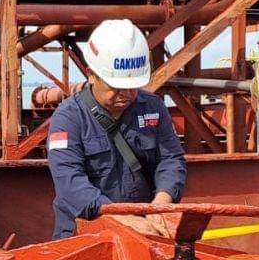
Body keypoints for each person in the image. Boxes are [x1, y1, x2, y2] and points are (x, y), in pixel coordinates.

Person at [47, 19, 186, 239]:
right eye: (116, 86)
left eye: (133, 86)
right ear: (91, 74)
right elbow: (69, 182)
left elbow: (171, 159)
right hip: (85, 234)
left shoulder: (153, 107)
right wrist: (118, 217)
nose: (127, 95)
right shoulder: (68, 118)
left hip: (145, 228)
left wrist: (162, 202)